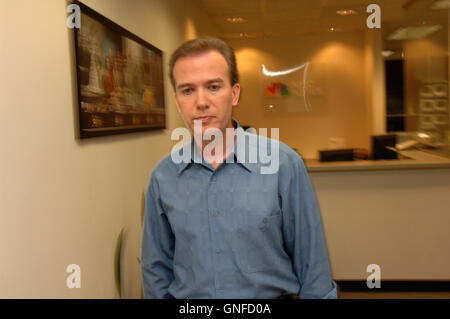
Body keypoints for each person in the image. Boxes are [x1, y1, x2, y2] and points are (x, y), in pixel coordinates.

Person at [141, 36, 338, 299]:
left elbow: (312, 266)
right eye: (188, 90)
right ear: (177, 100)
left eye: (213, 87)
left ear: (234, 94)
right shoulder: (163, 177)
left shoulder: (283, 165)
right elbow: (156, 270)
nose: (201, 102)